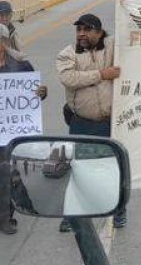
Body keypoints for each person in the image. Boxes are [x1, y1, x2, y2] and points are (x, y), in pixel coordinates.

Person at [56, 12, 125, 231]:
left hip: (111, 122)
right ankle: (72, 216)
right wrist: (102, 74)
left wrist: (123, 2)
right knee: (78, 170)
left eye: (87, 29)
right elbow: (69, 78)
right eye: (79, 30)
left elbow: (132, 33)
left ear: (99, 31)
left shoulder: (113, 47)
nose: (81, 34)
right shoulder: (68, 54)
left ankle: (119, 211)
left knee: (115, 169)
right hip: (82, 122)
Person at [0, 25, 47, 235]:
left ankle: (5, 217)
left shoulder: (20, 65)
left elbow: (33, 93)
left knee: (6, 174)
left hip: (10, 132)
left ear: (4, 43)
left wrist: (41, 92)